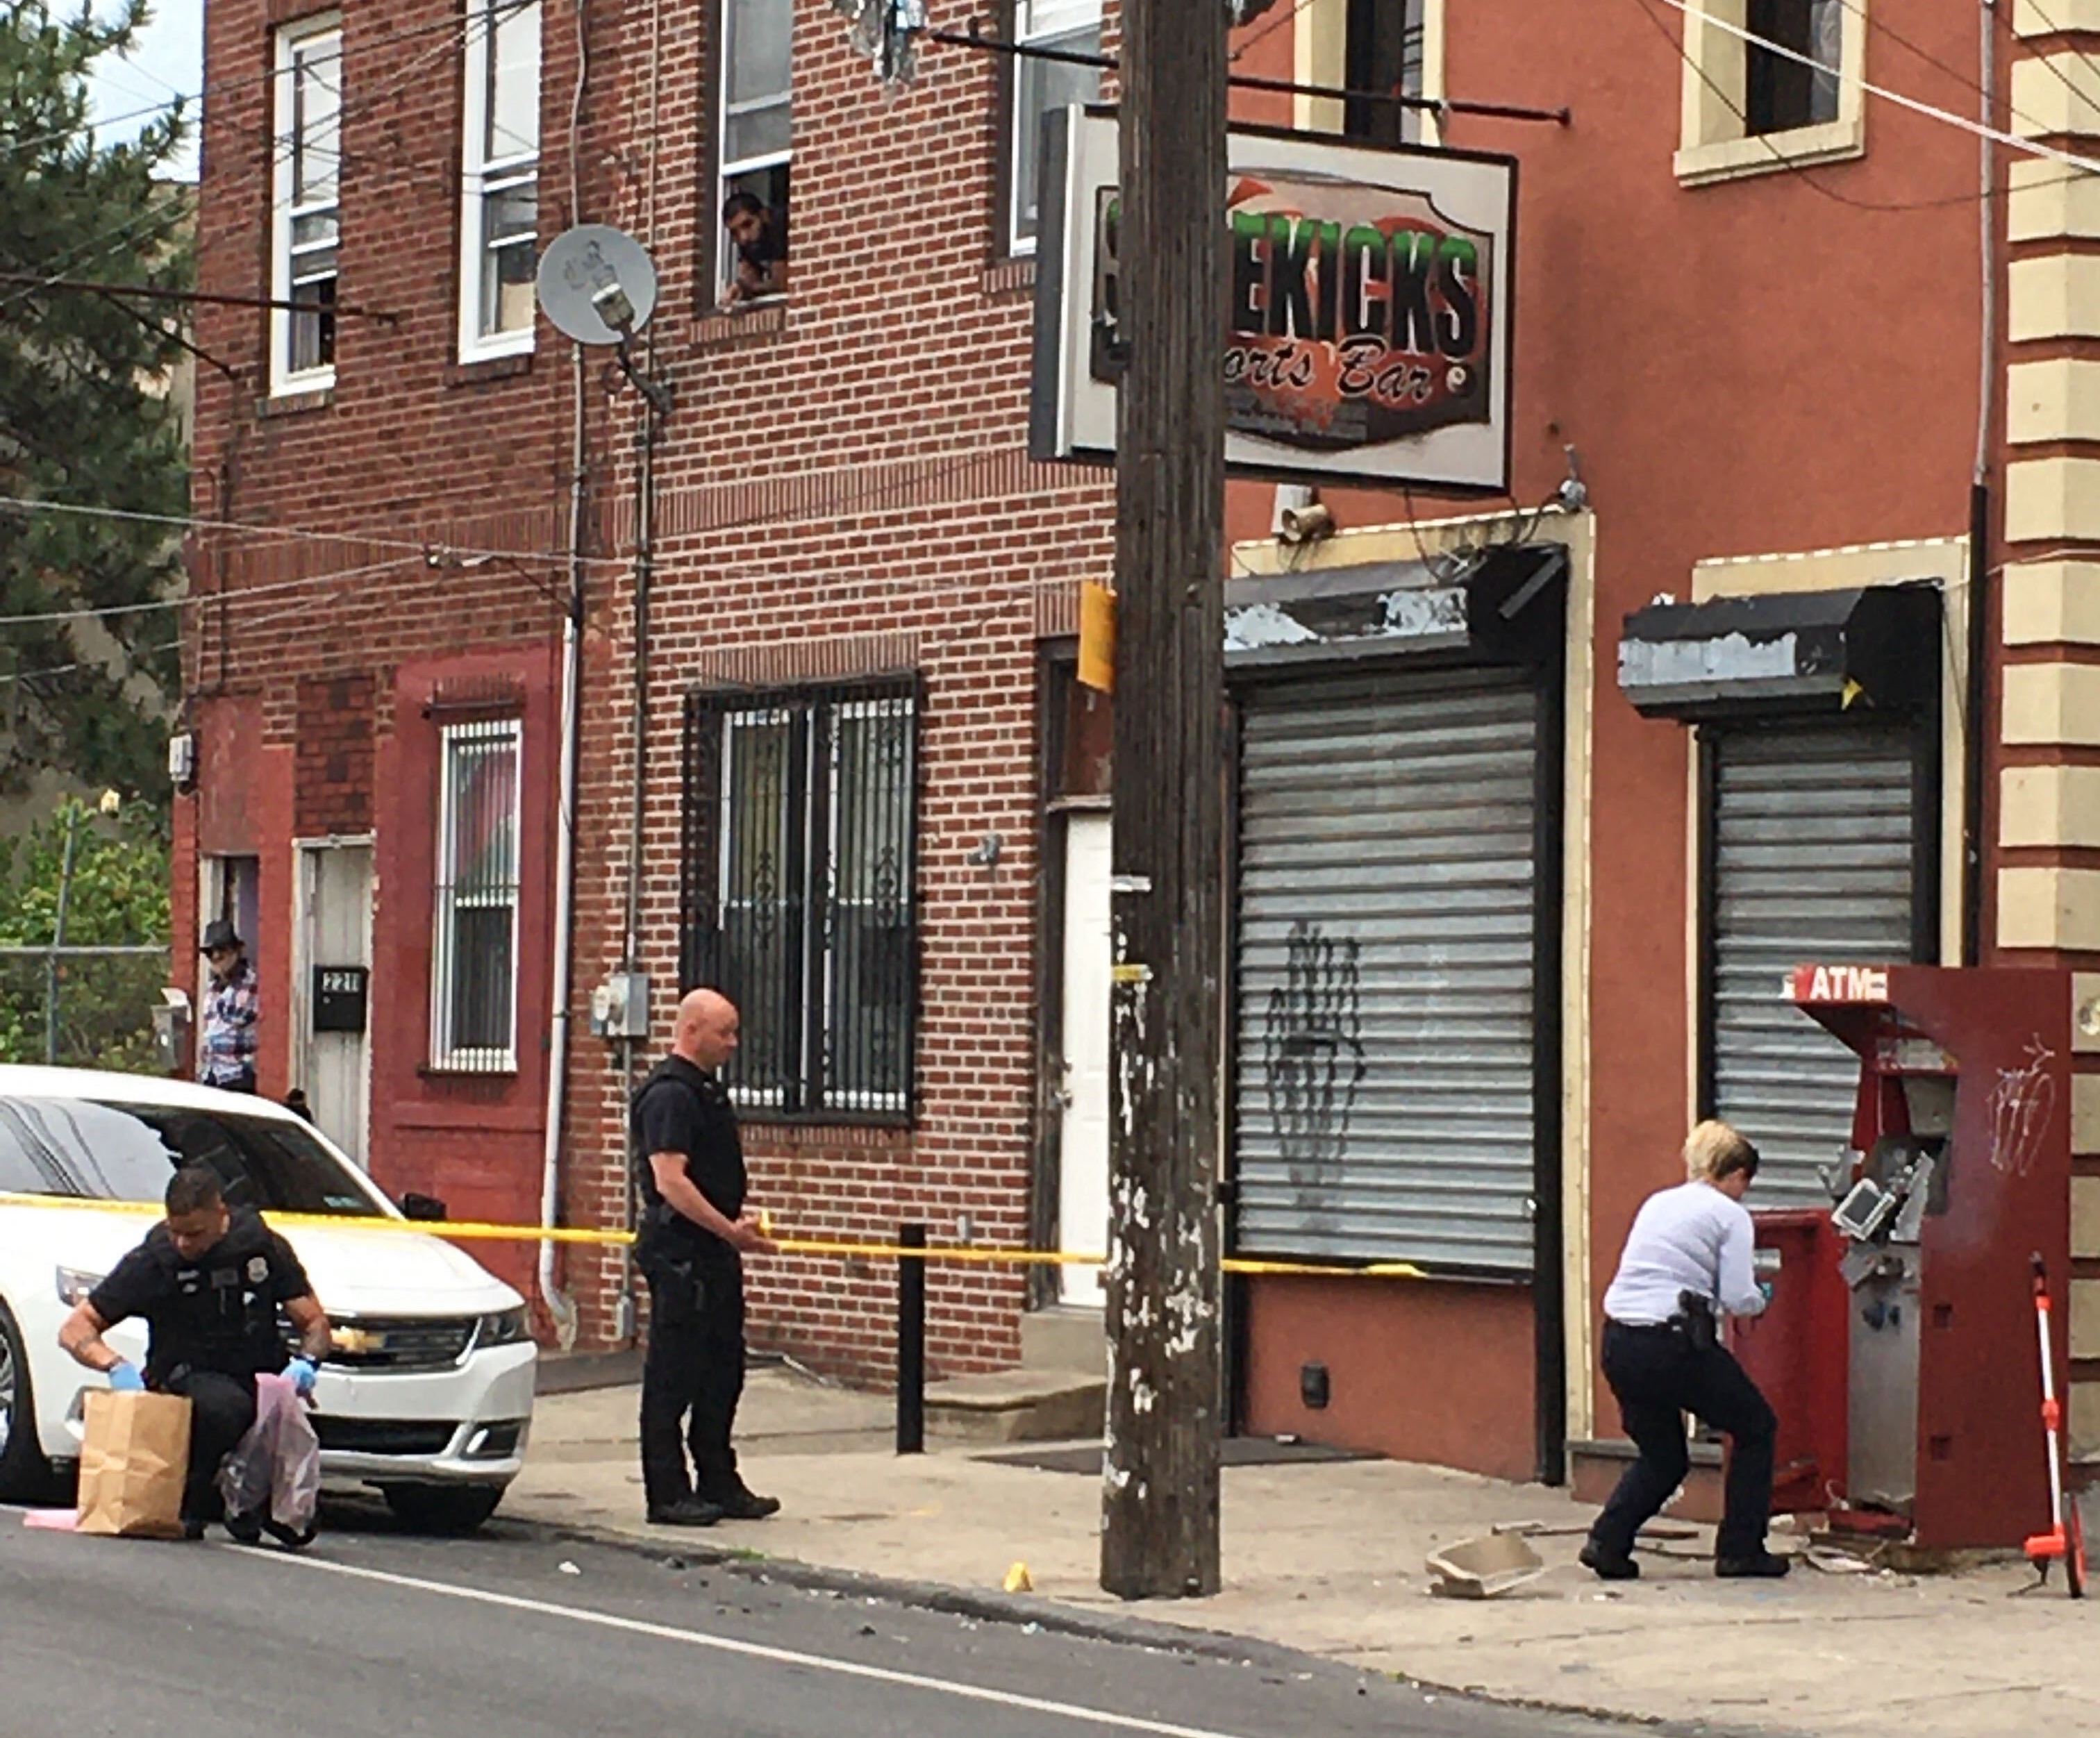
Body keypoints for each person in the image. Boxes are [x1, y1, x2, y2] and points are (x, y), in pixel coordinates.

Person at [58, 1166, 330, 1541]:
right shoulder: (155, 1262)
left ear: (222, 1215)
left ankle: (254, 1499)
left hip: (260, 1374)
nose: (183, 1244)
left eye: (195, 1234)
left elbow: (314, 1323)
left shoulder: (261, 1248)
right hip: (187, 1377)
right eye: (176, 1232)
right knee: (225, 1409)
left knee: (297, 1527)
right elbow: (76, 1328)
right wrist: (115, 1365)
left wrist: (307, 1364)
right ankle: (194, 1494)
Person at [1582, 1119, 1788, 1582]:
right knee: (1756, 1426)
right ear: (1735, 1173)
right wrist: (1762, 1298)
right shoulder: (1729, 1214)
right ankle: (1741, 1549)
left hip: (1620, 1340)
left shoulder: (1659, 1201)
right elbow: (1738, 1296)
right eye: (1745, 1181)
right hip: (1672, 1343)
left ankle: (1607, 1542)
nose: (1744, 1192)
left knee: (1663, 1456)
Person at [631, 987, 779, 1527]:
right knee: (675, 1372)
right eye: (725, 1031)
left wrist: (731, 1226)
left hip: (712, 1247)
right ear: (692, 1030)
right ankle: (667, 1490)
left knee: (723, 1368)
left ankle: (718, 1478)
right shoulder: (670, 1093)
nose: (733, 1042)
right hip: (680, 1251)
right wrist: (728, 1230)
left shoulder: (705, 1092)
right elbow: (670, 1181)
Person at [197, 917, 260, 1094]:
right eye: (210, 953)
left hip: (239, 1078)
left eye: (222, 951)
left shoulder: (252, 984)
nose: (216, 957)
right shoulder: (212, 990)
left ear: (236, 951)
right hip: (213, 1077)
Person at [717, 190, 788, 310]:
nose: (743, 237)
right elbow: (749, 277)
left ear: (763, 215)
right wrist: (739, 288)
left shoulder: (780, 225)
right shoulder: (747, 240)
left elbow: (782, 282)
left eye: (748, 224)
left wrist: (749, 288)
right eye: (735, 232)